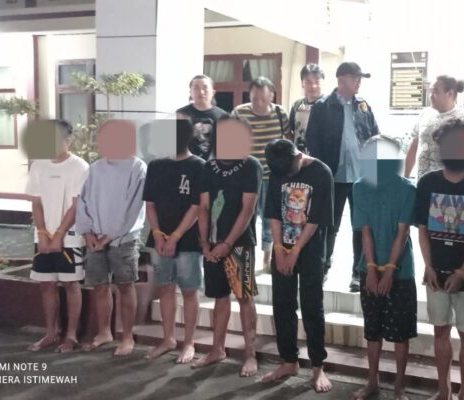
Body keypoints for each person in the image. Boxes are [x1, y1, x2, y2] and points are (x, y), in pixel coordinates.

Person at [415, 119, 464, 400]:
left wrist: (463, 271)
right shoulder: (427, 182)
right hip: (435, 272)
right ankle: (444, 390)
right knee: (440, 331)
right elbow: (422, 229)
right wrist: (428, 266)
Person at [261, 139, 334, 393]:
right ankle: (289, 361)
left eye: (288, 170)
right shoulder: (277, 170)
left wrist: (296, 251)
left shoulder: (321, 172)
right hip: (283, 248)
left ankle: (317, 366)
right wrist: (279, 249)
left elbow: (316, 219)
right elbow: (273, 212)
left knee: (312, 305)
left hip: (310, 249)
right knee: (282, 303)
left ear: (298, 156)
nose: (285, 175)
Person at [193, 117, 262, 377]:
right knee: (219, 298)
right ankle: (217, 349)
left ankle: (250, 354)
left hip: (239, 243)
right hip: (212, 243)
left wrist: (227, 243)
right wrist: (204, 243)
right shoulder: (208, 167)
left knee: (245, 297)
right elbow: (203, 207)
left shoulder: (250, 165)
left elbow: (247, 209)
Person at [352, 136, 417, 400]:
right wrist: (371, 269)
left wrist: (389, 270)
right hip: (369, 267)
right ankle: (372, 382)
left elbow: (402, 233)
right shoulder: (360, 187)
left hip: (401, 271)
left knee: (400, 333)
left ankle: (399, 386)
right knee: (373, 330)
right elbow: (365, 231)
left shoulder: (407, 189)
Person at [305, 61, 379, 291]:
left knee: (362, 226)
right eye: (355, 78)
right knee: (329, 226)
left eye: (359, 79)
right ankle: (323, 267)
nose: (359, 83)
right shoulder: (322, 107)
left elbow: (375, 138)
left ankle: (358, 272)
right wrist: (321, 172)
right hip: (332, 178)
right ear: (341, 80)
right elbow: (312, 141)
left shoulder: (363, 106)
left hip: (361, 179)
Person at [75, 121, 147, 357]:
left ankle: (127, 336)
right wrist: (87, 231)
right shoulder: (95, 168)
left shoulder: (137, 167)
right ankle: (104, 332)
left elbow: (134, 208)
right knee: (99, 285)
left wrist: (110, 235)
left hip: (123, 239)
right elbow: (82, 201)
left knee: (125, 285)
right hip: (94, 236)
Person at [143, 118, 206, 364]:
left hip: (188, 240)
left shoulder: (199, 166)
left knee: (189, 290)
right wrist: (158, 233)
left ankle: (189, 342)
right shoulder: (156, 165)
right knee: (165, 288)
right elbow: (150, 203)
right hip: (160, 238)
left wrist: (176, 237)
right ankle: (168, 338)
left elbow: (197, 207)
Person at [25, 120, 89, 353]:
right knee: (47, 284)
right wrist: (43, 233)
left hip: (69, 237)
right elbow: (36, 202)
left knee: (71, 284)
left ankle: (70, 335)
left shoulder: (80, 167)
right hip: (43, 236)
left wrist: (59, 235)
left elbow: (76, 205)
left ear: (68, 140)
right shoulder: (38, 165)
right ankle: (51, 333)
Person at [232, 76, 289, 272]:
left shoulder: (280, 113)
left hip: (273, 175)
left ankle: (268, 256)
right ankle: (246, 255)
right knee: (244, 215)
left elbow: (288, 141)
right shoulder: (239, 112)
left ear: (271, 96)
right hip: (246, 176)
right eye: (254, 98)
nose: (258, 103)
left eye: (263, 99)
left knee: (271, 218)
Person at [404, 75, 464, 178]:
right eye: (431, 91)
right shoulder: (424, 114)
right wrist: (406, 176)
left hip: (447, 182)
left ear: (450, 93)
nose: (431, 96)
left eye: (435, 91)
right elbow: (414, 145)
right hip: (421, 181)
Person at [177, 74, 228, 160]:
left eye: (205, 88)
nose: (201, 92)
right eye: (196, 88)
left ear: (213, 92)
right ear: (190, 92)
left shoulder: (223, 116)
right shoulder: (180, 114)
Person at [288, 64, 326, 152]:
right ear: (302, 83)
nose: (313, 86)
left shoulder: (329, 106)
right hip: (299, 155)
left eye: (317, 82)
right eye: (308, 82)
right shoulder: (297, 105)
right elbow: (292, 130)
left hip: (321, 156)